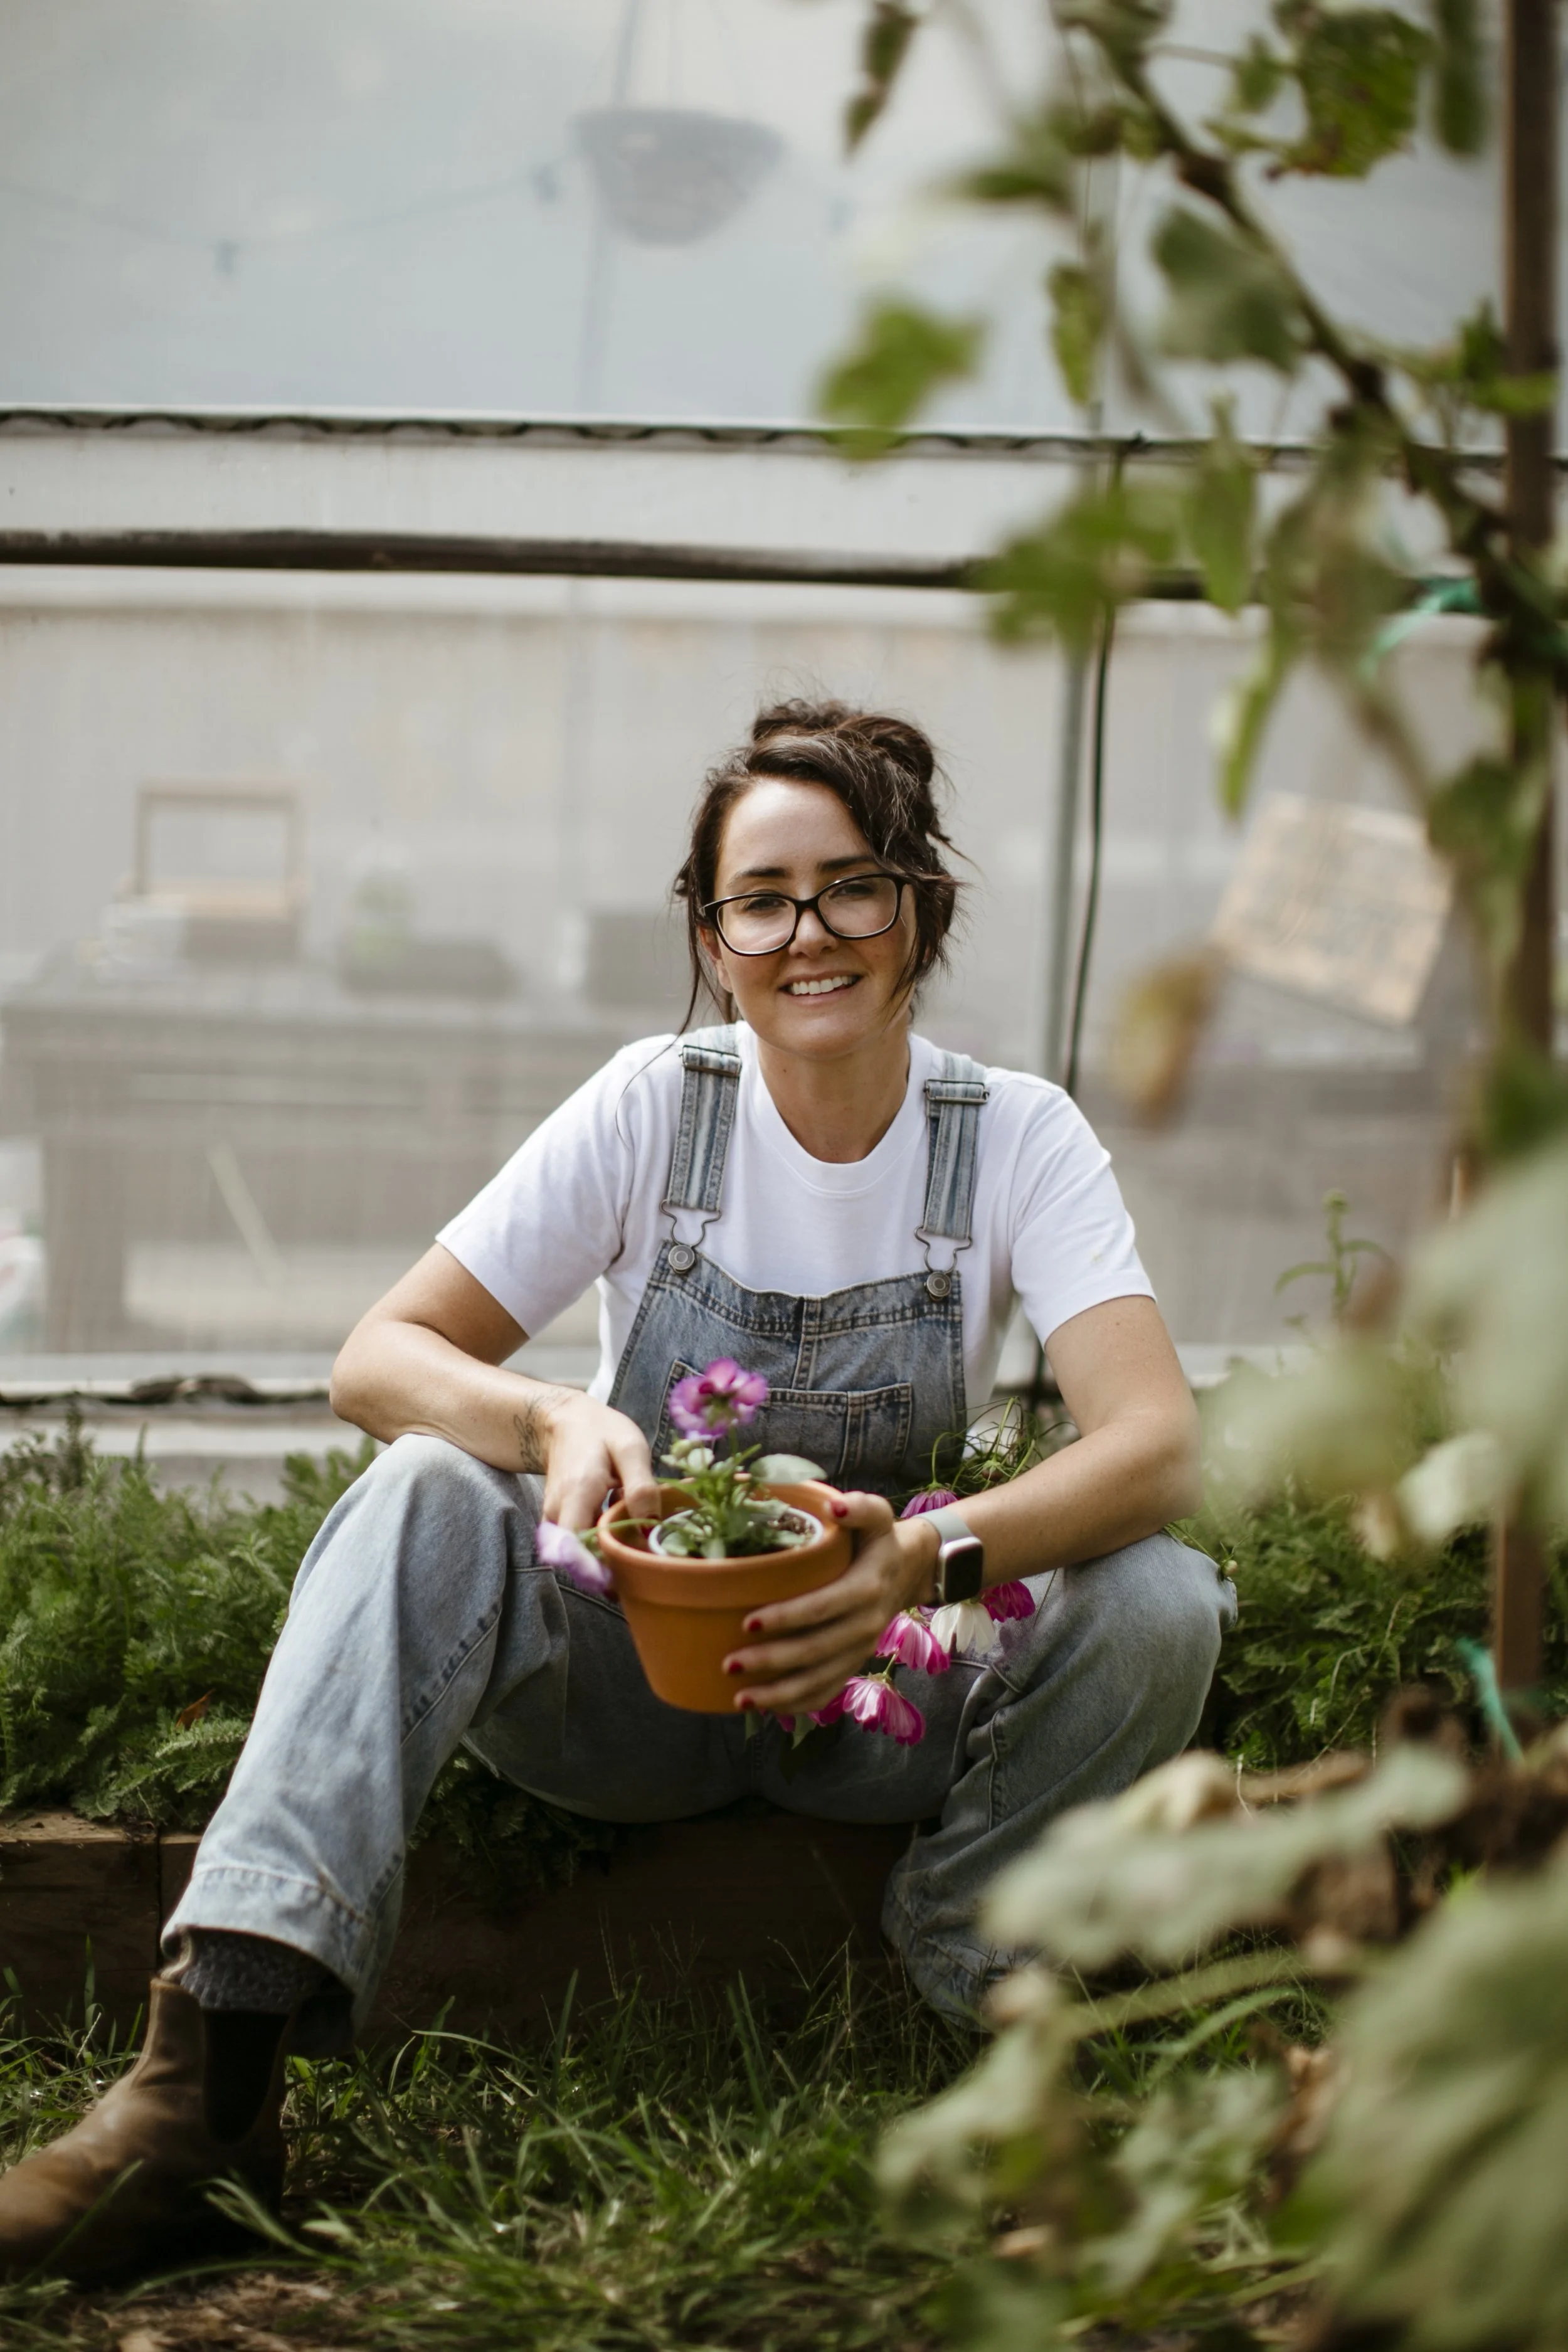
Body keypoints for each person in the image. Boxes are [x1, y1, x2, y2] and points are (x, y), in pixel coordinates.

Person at [0, 700, 1234, 2281]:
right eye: (760, 899)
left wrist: (912, 1566)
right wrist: (548, 1422)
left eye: (852, 886)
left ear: (915, 905)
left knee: (1160, 1595)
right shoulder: (657, 1104)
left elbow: (1152, 1445)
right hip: (625, 1695)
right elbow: (378, 1357)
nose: (809, 934)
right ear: (712, 937)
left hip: (873, 1707)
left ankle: (969, 1954)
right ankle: (208, 2080)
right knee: (422, 1495)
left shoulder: (1012, 1140)